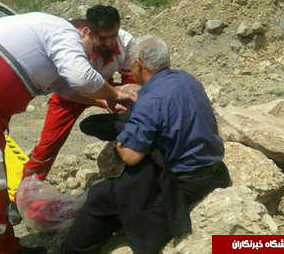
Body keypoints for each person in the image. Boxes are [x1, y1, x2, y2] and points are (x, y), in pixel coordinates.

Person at [0, 12, 135, 254]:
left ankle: (6, 247)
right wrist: (115, 94)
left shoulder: (47, 33)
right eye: (94, 46)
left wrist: (103, 102)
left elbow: (65, 88)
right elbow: (80, 78)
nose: (92, 55)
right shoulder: (64, 32)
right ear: (84, 31)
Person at [60, 36, 230, 254]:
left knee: (102, 198)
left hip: (188, 180)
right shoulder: (188, 79)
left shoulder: (151, 98)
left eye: (131, 62)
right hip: (215, 169)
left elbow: (130, 156)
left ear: (138, 64)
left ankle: (70, 251)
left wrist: (122, 137)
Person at [19, 5, 138, 182]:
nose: (108, 43)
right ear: (89, 31)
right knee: (49, 144)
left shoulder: (127, 42)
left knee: (136, 102)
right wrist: (105, 101)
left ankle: (132, 173)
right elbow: (69, 83)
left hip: (105, 85)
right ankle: (26, 187)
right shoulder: (73, 43)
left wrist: (127, 101)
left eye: (113, 36)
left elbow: (130, 79)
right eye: (102, 38)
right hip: (69, 93)